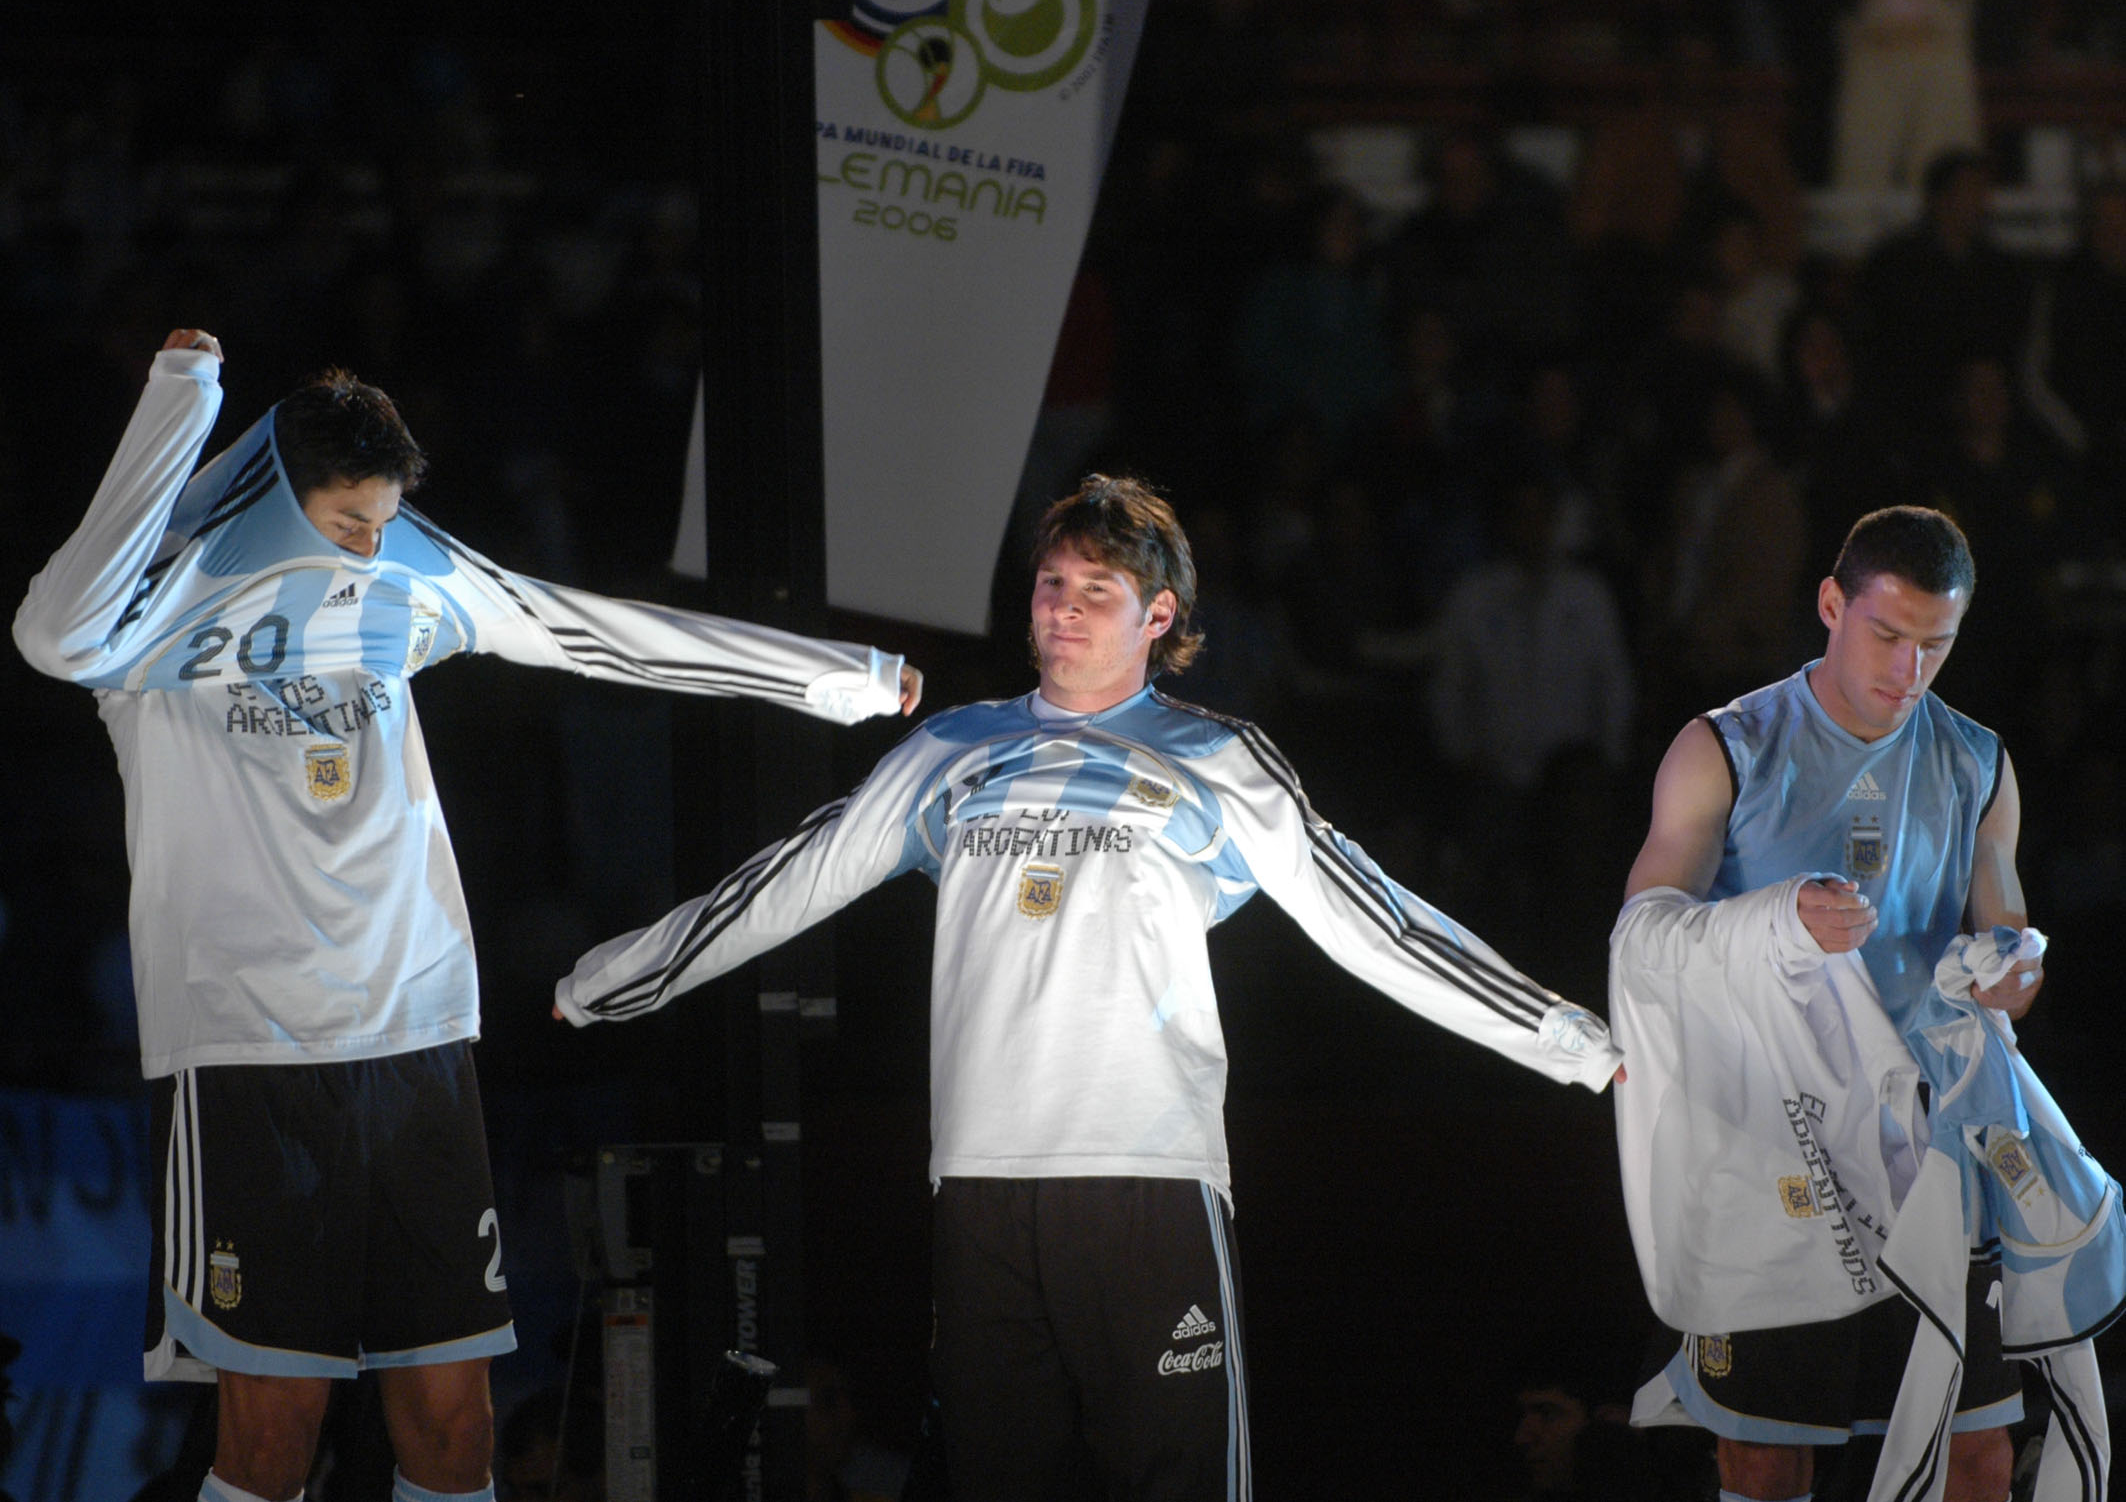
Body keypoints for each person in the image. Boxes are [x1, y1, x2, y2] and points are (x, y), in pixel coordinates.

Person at [554, 474, 1624, 1499]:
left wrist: (1573, 1043)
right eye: (1050, 585)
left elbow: (1380, 925)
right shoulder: (952, 748)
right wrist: (610, 982)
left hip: (1145, 1179)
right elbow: (790, 880)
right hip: (978, 1183)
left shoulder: (1220, 759)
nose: (1063, 611)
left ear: (1158, 615)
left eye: (1095, 592)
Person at [11, 330, 922, 1502]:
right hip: (246, 1053)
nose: (369, 541)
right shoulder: (152, 599)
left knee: (451, 1433)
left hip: (417, 1040)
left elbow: (602, 634)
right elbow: (51, 632)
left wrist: (832, 677)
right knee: (274, 1439)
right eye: (346, 517)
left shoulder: (410, 573)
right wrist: (180, 399)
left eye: (385, 516)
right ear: (282, 489)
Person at [1612, 506, 2036, 1502]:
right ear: (1829, 604)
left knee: (1974, 1452)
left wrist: (2013, 970)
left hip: (1932, 1147)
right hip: (1775, 1145)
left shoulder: (1976, 759)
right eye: (1887, 636)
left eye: (1935, 644)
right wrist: (1773, 917)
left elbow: (2007, 930)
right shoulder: (1725, 746)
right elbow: (1640, 937)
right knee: (1765, 1457)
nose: (1909, 669)